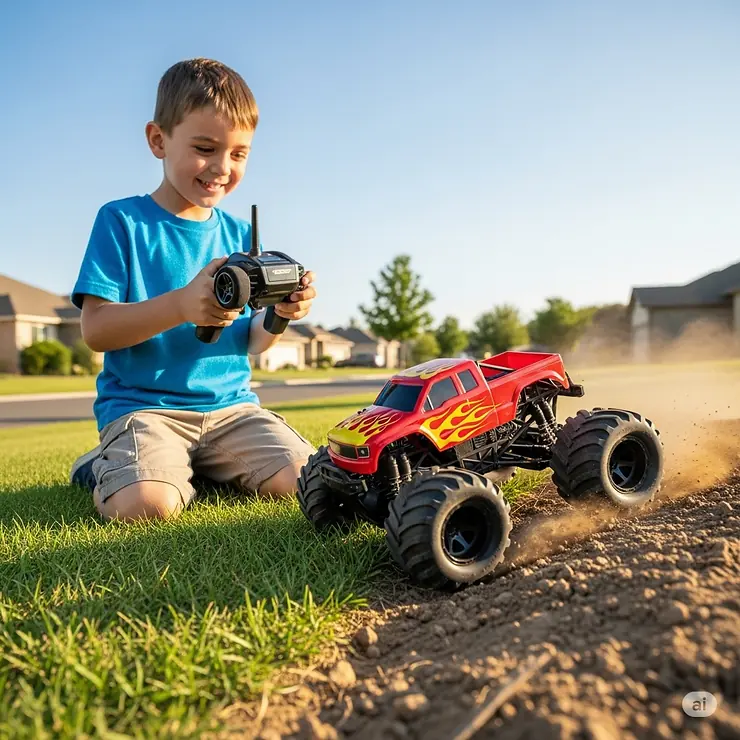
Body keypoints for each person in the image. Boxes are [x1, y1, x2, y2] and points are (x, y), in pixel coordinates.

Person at [69, 58, 317, 522]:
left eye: (239, 154)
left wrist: (281, 313)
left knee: (307, 479)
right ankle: (106, 464)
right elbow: (97, 330)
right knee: (148, 506)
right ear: (158, 140)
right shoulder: (122, 221)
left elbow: (253, 342)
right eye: (205, 147)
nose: (222, 167)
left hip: (233, 410)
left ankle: (186, 465)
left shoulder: (243, 236)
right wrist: (182, 305)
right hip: (146, 409)